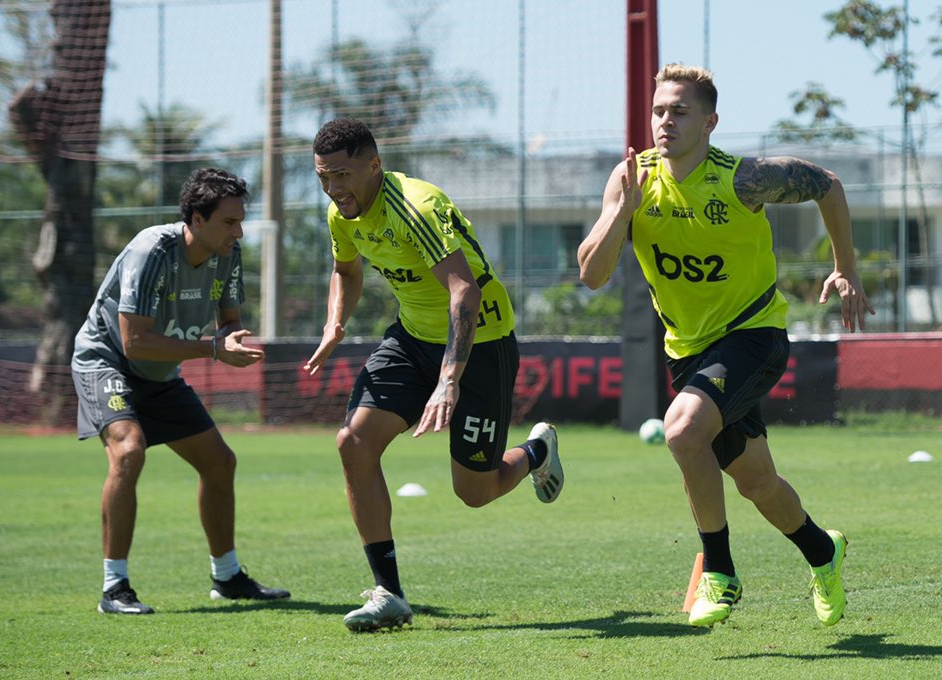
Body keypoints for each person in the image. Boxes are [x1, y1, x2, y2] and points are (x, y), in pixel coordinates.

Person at [578, 64, 875, 628]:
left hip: (753, 335)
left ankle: (720, 572)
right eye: (659, 111)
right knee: (756, 481)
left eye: (680, 112)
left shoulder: (746, 180)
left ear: (710, 122)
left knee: (683, 429)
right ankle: (823, 551)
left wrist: (846, 269)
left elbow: (828, 185)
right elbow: (592, 275)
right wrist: (621, 210)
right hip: (687, 351)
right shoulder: (630, 179)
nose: (666, 121)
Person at [305, 117, 564, 632]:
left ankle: (537, 451)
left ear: (374, 166)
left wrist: (450, 378)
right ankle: (389, 593)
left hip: (481, 344)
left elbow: (463, 291)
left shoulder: (417, 207)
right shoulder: (342, 215)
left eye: (342, 175)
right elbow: (347, 270)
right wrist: (336, 323)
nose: (334, 189)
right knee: (352, 443)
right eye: (323, 177)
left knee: (475, 491)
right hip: (410, 338)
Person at [71, 168, 290, 615]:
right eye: (229, 222)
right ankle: (115, 589)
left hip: (160, 374)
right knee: (129, 451)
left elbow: (228, 317)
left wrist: (229, 336)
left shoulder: (227, 254)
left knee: (220, 461)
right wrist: (212, 348)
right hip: (107, 361)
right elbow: (134, 341)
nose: (239, 231)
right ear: (196, 217)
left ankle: (227, 577)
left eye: (240, 220)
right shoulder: (152, 249)